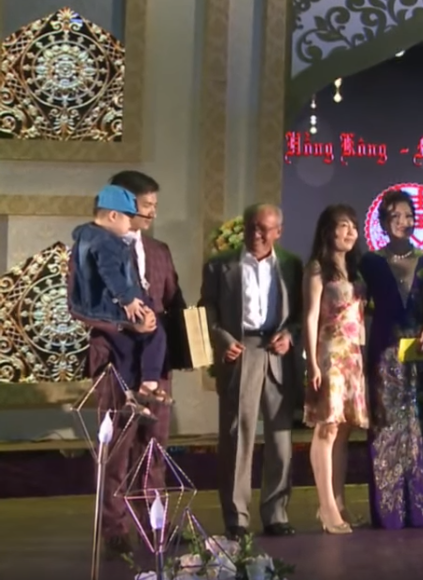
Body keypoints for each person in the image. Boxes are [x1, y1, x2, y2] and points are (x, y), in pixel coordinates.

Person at [70, 171, 185, 558]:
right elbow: (78, 307)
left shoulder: (160, 250)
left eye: (155, 205)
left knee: (154, 447)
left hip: (155, 364)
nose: (153, 212)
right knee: (116, 448)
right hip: (116, 361)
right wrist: (124, 323)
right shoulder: (92, 247)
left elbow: (174, 301)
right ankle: (115, 529)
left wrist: (195, 340)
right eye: (146, 205)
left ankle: (154, 524)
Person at [201, 203, 304, 538]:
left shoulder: (291, 264)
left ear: (278, 232)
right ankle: (237, 517)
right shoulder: (220, 265)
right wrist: (221, 338)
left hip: (278, 353)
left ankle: (276, 513)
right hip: (240, 350)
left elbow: (302, 313)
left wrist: (290, 335)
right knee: (237, 436)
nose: (257, 234)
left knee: (281, 438)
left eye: (264, 228)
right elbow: (207, 307)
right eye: (251, 227)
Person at [358, 189, 423, 529]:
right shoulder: (369, 263)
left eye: (408, 215)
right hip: (384, 356)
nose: (403, 221)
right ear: (383, 222)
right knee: (387, 430)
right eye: (394, 216)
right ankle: (390, 513)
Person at [68, 184, 166, 418]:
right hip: (109, 308)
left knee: (127, 348)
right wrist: (128, 300)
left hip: (99, 306)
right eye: (128, 218)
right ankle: (147, 386)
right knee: (151, 333)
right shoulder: (106, 242)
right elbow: (110, 273)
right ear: (113, 215)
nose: (130, 224)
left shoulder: (87, 237)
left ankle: (132, 397)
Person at [302, 205, 369, 534]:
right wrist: (312, 362)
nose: (350, 232)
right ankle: (326, 507)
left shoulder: (355, 268)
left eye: (353, 226)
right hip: (329, 353)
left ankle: (339, 502)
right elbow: (310, 316)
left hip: (353, 355)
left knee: (344, 430)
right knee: (327, 428)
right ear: (328, 231)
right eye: (343, 226)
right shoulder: (318, 268)